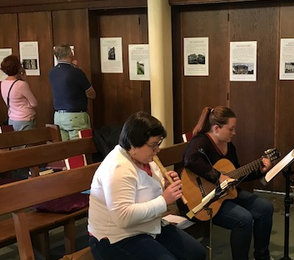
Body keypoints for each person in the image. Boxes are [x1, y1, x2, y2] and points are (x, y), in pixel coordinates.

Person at [88, 111, 206, 260]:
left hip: (147, 226)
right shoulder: (117, 168)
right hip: (116, 237)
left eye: (158, 144)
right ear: (133, 144)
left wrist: (163, 185)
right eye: (153, 145)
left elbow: (143, 193)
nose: (157, 150)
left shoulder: (146, 158)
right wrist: (164, 200)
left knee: (196, 253)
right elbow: (123, 218)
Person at [182, 106, 274, 260]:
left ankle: (262, 256)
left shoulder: (229, 146)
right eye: (231, 129)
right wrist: (217, 176)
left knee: (265, 208)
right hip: (204, 200)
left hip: (225, 194)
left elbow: (236, 174)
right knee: (243, 219)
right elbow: (190, 160)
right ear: (216, 128)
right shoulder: (201, 141)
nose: (234, 132)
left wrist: (260, 171)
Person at [49, 43, 96, 141]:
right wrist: (76, 68)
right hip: (75, 116)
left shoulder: (52, 72)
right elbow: (92, 94)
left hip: (58, 116)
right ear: (70, 54)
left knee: (65, 150)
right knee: (79, 149)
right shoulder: (76, 72)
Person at [1, 55, 37, 131]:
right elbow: (34, 103)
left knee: (17, 142)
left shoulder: (3, 83)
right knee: (27, 142)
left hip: (12, 119)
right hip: (25, 119)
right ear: (17, 67)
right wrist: (25, 80)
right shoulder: (21, 84)